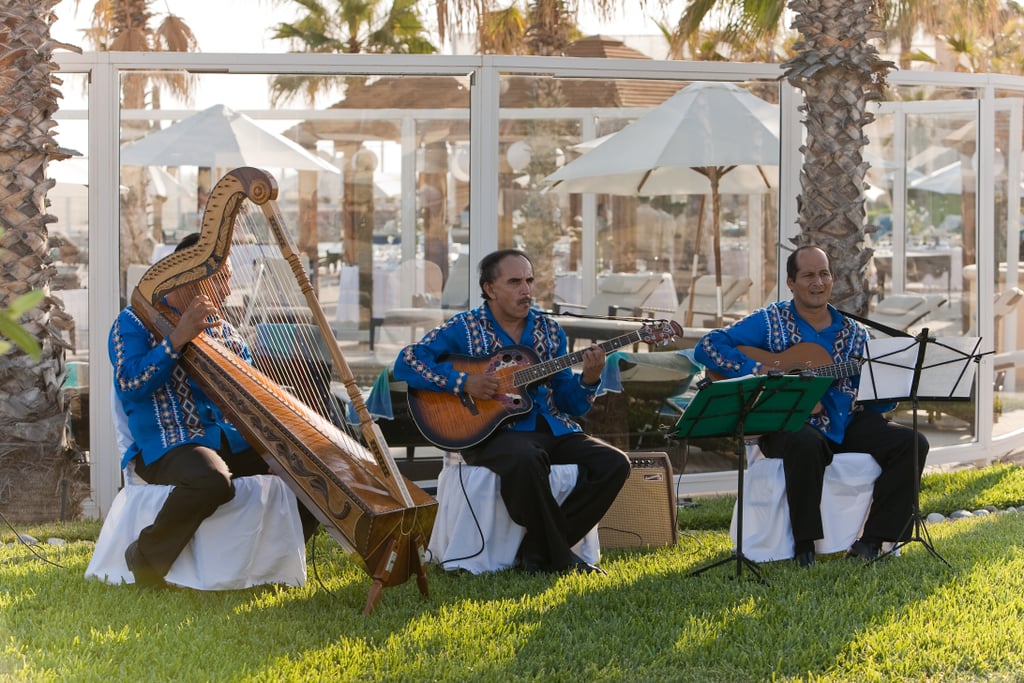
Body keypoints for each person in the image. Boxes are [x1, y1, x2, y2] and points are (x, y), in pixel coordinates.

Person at [394, 248, 630, 575]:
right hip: (490, 433)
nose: (526, 290)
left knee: (614, 463)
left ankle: (537, 551)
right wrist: (464, 382)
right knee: (526, 460)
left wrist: (590, 379)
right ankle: (559, 560)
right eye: (515, 281)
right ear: (490, 289)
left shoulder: (549, 332)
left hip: (549, 428)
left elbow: (569, 403)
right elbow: (407, 362)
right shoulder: (464, 327)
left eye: (530, 281)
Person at [693, 245, 929, 568]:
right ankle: (804, 545)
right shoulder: (769, 321)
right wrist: (762, 373)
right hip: (784, 422)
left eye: (824, 274)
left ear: (832, 279)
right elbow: (708, 346)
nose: (818, 282)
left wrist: (892, 383)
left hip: (844, 422)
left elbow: (874, 404)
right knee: (806, 442)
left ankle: (872, 542)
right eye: (808, 275)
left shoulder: (856, 334)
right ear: (791, 282)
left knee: (913, 442)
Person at [110, 233, 316, 588]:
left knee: (309, 471)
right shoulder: (134, 322)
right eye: (222, 280)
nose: (227, 292)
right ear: (191, 276)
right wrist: (176, 340)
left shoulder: (224, 329)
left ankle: (266, 566)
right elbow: (130, 382)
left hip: (228, 440)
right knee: (212, 481)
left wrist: (272, 444)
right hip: (167, 442)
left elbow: (248, 392)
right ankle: (144, 558)